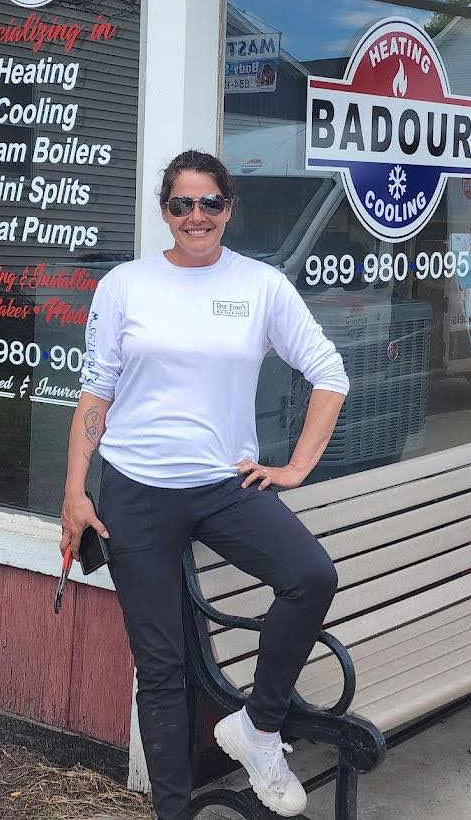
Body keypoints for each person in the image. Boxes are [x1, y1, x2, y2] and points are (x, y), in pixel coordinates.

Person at [60, 150, 349, 820]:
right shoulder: (126, 285)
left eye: (209, 203)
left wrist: (296, 466)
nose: (196, 217)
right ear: (165, 211)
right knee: (160, 668)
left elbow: (328, 372)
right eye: (181, 204)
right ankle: (170, 812)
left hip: (224, 485)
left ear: (228, 208)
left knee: (310, 576)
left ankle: (258, 729)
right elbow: (95, 393)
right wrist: (75, 492)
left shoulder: (260, 286)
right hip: (134, 490)